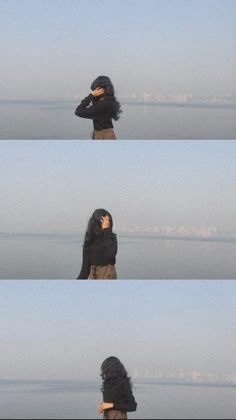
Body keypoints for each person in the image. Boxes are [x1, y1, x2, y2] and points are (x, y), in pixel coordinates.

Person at [74, 75, 122, 140]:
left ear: (99, 89)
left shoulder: (102, 105)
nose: (94, 92)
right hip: (108, 134)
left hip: (102, 136)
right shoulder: (109, 102)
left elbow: (78, 111)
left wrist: (91, 96)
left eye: (95, 90)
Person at [77, 209, 117, 279]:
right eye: (105, 221)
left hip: (109, 280)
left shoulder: (111, 238)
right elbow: (85, 270)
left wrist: (106, 230)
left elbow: (111, 254)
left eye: (109, 221)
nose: (108, 223)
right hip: (93, 280)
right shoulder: (89, 239)